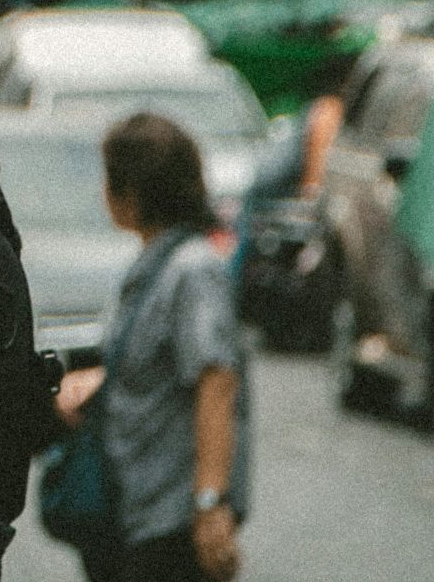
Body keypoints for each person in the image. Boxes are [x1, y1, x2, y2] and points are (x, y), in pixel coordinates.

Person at [56, 112, 252, 582]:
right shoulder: (157, 266)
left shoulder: (193, 270)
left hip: (173, 521)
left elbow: (216, 382)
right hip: (137, 511)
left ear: (131, 194)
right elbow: (161, 365)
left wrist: (210, 504)